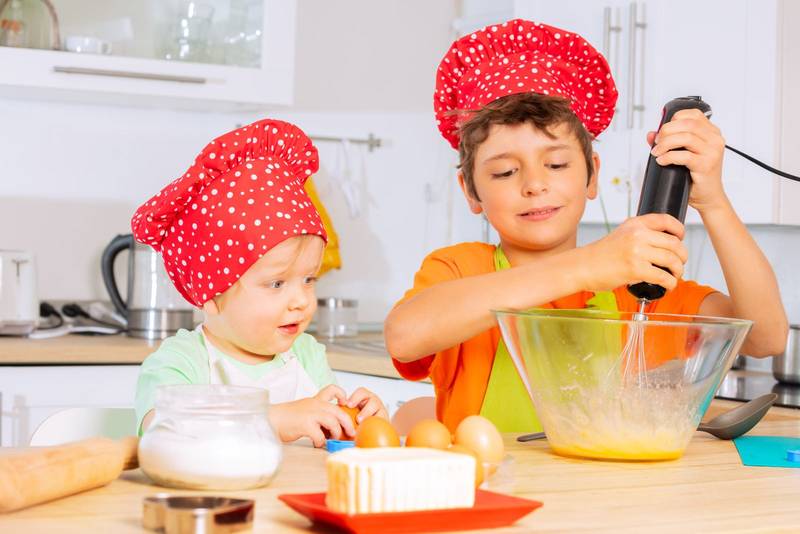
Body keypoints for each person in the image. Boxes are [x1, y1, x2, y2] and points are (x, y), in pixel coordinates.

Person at [384, 19, 788, 433]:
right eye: (505, 172)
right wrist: (584, 266)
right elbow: (405, 335)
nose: (534, 184)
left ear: (592, 175)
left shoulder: (639, 289)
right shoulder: (460, 270)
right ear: (471, 192)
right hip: (490, 477)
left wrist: (714, 202)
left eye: (556, 164)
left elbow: (766, 338)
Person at [133, 119, 387, 447]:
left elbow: (329, 441)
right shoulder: (182, 362)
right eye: (277, 284)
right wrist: (272, 420)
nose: (301, 300)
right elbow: (163, 433)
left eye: (309, 279)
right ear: (211, 293)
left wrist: (361, 426)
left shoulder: (306, 355)